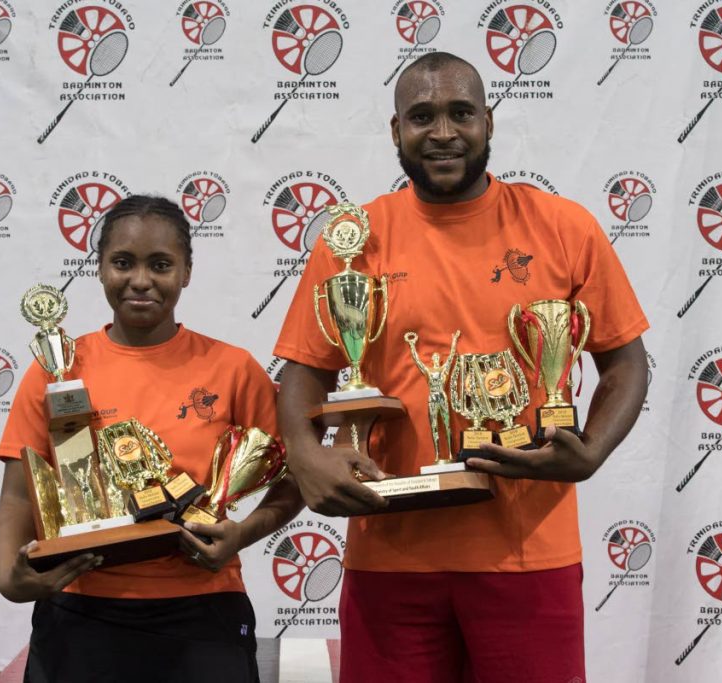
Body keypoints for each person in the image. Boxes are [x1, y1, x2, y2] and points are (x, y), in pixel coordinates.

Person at [274, 53, 649, 682]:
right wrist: (305, 455)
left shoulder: (563, 227)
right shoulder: (354, 238)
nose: (443, 132)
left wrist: (593, 449)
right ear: (396, 132)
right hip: (390, 554)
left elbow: (626, 362)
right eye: (421, 116)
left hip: (528, 552)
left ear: (489, 122)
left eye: (460, 113)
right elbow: (302, 373)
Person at [0, 195, 303, 682]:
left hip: (204, 608)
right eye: (123, 263)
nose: (140, 281)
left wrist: (242, 533)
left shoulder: (233, 367)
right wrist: (10, 578)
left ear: (186, 272)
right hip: (79, 610)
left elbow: (294, 480)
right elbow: (16, 497)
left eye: (160, 264)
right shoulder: (57, 370)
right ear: (98, 268)